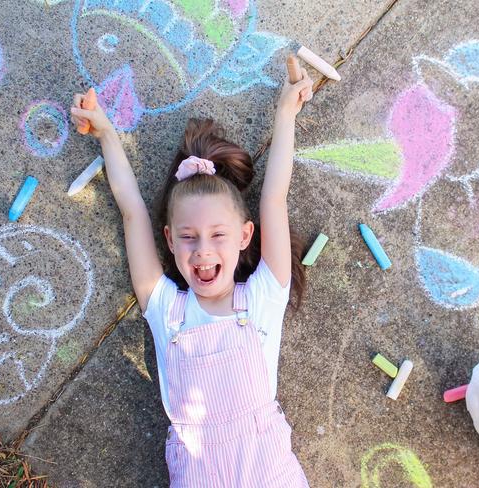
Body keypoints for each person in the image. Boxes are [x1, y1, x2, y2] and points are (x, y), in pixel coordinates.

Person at [70, 66, 314, 486]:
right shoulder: (166, 309)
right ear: (168, 239)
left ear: (244, 235)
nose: (202, 249)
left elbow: (274, 196)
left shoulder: (263, 298)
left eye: (218, 235)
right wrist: (106, 133)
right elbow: (132, 211)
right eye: (188, 236)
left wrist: (285, 114)